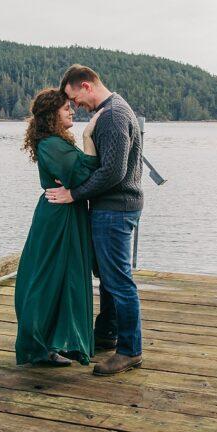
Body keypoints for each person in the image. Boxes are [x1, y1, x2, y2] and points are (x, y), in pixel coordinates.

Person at [46, 64, 144, 376]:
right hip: (115, 206)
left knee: (118, 279)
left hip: (115, 208)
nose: (76, 106)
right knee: (109, 276)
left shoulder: (113, 116)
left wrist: (74, 194)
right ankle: (107, 333)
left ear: (86, 86)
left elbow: (113, 172)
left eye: (75, 99)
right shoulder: (111, 111)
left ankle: (130, 350)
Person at [15, 88, 102, 367]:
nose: (72, 112)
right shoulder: (51, 144)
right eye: (67, 108)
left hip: (65, 212)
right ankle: (38, 344)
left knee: (64, 277)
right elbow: (81, 173)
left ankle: (52, 344)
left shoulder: (54, 142)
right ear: (53, 114)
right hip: (57, 217)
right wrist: (89, 137)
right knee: (49, 277)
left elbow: (79, 174)